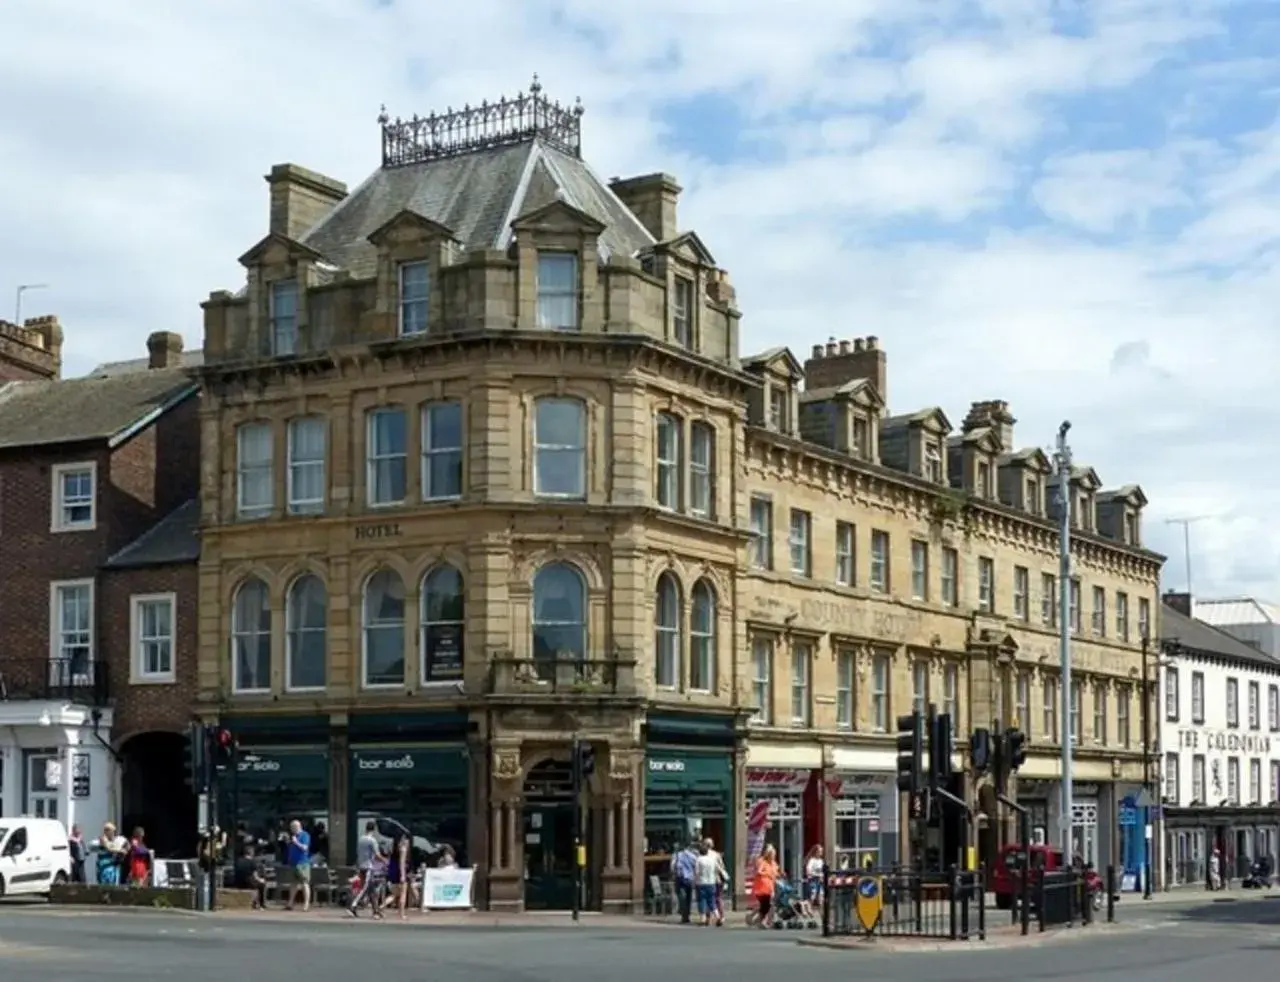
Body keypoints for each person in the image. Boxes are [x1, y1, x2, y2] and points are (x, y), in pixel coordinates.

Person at [348, 820, 385, 918]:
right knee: (364, 888)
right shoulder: (372, 840)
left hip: (361, 866)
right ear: (374, 829)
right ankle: (353, 906)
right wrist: (385, 861)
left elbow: (359, 853)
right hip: (368, 867)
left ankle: (376, 911)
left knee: (372, 890)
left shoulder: (361, 839)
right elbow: (377, 855)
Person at [750, 845, 781, 929]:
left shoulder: (774, 863)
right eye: (772, 854)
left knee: (767, 906)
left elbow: (776, 873)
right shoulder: (763, 862)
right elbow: (758, 872)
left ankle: (758, 920)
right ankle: (761, 921)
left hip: (770, 887)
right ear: (768, 854)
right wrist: (767, 874)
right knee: (766, 906)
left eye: (774, 854)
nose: (774, 856)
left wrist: (779, 874)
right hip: (762, 888)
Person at [284, 819, 312, 912]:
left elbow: (305, 848)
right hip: (293, 863)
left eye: (293, 827)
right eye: (291, 827)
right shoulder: (293, 836)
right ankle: (290, 903)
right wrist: (288, 842)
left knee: (304, 883)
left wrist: (296, 842)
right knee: (293, 883)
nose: (291, 829)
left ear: (298, 827)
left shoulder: (305, 835)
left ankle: (306, 904)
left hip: (302, 863)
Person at [670, 840, 698, 924]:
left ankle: (684, 914)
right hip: (690, 879)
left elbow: (672, 867)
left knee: (681, 897)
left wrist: (673, 874)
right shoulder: (693, 856)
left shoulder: (676, 855)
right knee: (689, 897)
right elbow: (696, 866)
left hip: (680, 878)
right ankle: (687, 914)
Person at [693, 841, 720, 926]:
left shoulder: (699, 860)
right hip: (711, 882)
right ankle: (718, 916)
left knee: (702, 900)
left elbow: (696, 872)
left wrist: (695, 880)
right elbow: (717, 869)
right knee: (712, 900)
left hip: (701, 883)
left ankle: (703, 919)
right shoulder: (712, 860)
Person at [232, 845, 268, 910]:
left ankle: (257, 903)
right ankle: (261, 904)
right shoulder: (252, 862)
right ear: (251, 852)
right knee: (262, 885)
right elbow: (255, 876)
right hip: (249, 882)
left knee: (256, 884)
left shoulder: (238, 861)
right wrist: (261, 880)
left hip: (238, 882)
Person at [386, 834, 410, 921]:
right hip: (401, 873)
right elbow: (402, 863)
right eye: (406, 840)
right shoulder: (403, 849)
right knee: (403, 894)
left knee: (395, 894)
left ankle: (381, 907)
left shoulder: (394, 850)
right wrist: (403, 875)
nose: (408, 842)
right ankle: (402, 914)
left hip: (394, 873)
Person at [804, 844, 825, 916]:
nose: (821, 853)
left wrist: (823, 876)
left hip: (820, 880)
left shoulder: (821, 861)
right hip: (813, 879)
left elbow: (822, 871)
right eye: (820, 851)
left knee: (821, 897)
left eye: (822, 851)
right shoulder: (812, 860)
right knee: (813, 895)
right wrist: (810, 874)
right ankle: (808, 908)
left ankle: (822, 913)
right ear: (816, 852)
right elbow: (808, 869)